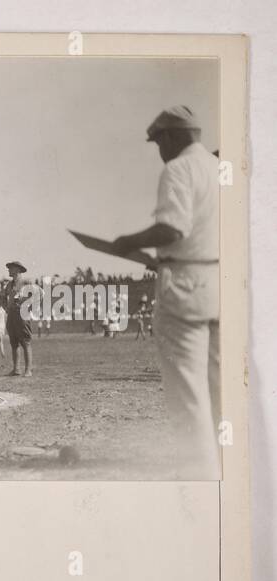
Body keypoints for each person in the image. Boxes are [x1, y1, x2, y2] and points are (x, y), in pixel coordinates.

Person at [112, 105, 220, 477]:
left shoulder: (179, 168)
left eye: (158, 141)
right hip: (220, 284)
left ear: (170, 136)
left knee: (188, 393)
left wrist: (128, 241)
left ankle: (200, 479)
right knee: (219, 389)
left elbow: (173, 229)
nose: (159, 150)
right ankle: (226, 475)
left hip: (186, 290)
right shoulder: (218, 167)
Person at [0, 260, 35, 376]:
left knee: (25, 341)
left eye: (11, 268)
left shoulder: (26, 282)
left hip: (22, 314)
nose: (9, 270)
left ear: (18, 269)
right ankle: (16, 369)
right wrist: (6, 307)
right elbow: (3, 297)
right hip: (11, 314)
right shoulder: (9, 285)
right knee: (14, 342)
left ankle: (28, 370)